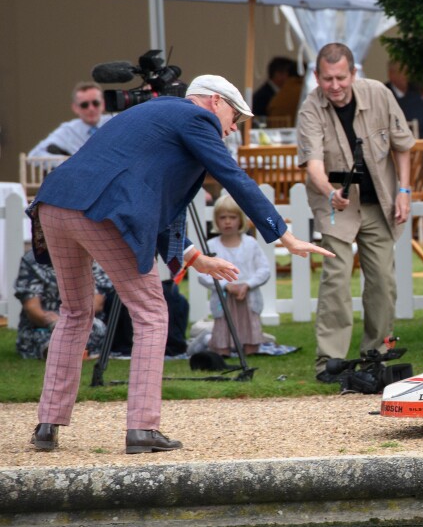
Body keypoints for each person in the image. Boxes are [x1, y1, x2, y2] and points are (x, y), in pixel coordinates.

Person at [27, 74, 332, 454]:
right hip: (98, 211)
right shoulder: (196, 118)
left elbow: (152, 199)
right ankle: (142, 428)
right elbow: (232, 176)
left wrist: (194, 256)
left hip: (54, 205)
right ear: (213, 102)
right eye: (234, 118)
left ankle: (46, 425)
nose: (233, 128)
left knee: (74, 313)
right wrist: (283, 234)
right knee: (153, 312)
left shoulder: (153, 114)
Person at [297, 42, 416, 382]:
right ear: (317, 77)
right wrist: (329, 191)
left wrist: (404, 191)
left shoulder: (379, 94)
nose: (334, 86)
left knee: (383, 279)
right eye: (327, 78)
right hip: (336, 203)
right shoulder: (310, 108)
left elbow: (403, 146)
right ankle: (330, 363)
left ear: (353, 74)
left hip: (379, 200)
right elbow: (314, 165)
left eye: (340, 77)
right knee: (336, 280)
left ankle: (375, 353)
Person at [195, 194, 272, 356]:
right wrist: (226, 285)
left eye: (232, 217)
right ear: (216, 220)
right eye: (223, 217)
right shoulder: (211, 246)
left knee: (251, 344)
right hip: (224, 299)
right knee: (221, 346)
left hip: (247, 297)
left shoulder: (251, 244)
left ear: (241, 220)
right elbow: (203, 274)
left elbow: (264, 270)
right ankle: (209, 340)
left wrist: (247, 285)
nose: (228, 221)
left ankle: (250, 346)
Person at [13, 249, 111, 360]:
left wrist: (72, 321)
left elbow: (97, 302)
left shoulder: (90, 256)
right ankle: (60, 352)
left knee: (94, 330)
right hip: (43, 326)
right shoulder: (32, 260)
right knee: (47, 339)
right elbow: (31, 307)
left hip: (84, 321)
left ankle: (70, 352)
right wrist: (55, 323)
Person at [30, 82, 110, 157]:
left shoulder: (114, 122)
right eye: (84, 105)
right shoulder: (68, 130)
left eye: (95, 103)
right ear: (75, 108)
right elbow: (34, 155)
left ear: (103, 104)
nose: (91, 109)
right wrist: (67, 164)